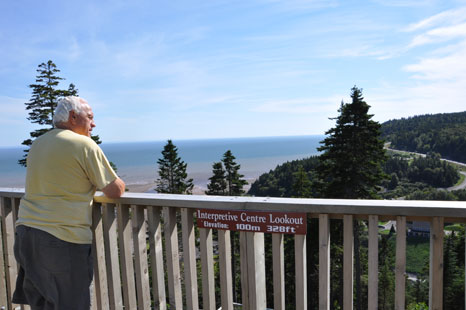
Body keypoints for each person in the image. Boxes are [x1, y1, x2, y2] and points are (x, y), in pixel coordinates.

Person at [12, 96, 125, 310]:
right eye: (90, 117)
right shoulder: (83, 144)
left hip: (26, 234)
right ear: (74, 117)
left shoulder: (38, 143)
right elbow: (114, 190)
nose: (93, 124)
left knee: (43, 305)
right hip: (61, 239)